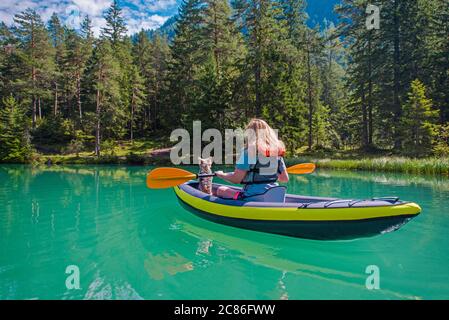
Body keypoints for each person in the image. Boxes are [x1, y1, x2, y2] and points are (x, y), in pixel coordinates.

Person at [215, 119, 289, 200]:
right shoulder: (277, 152)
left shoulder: (248, 152)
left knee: (221, 190)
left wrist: (221, 175)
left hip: (254, 196)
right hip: (275, 194)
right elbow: (284, 178)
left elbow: (236, 179)